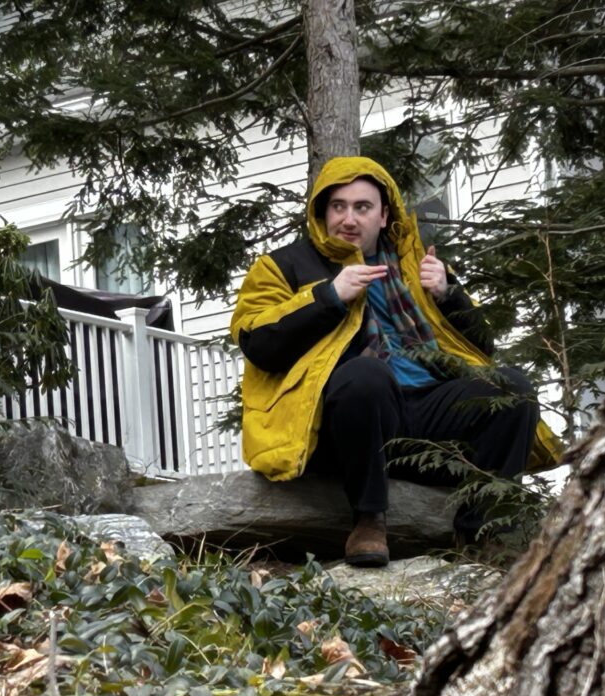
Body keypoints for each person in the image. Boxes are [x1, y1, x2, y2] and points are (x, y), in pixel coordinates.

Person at [230, 156, 562, 567]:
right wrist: (328, 297)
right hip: (343, 425)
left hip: (425, 414)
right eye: (338, 207)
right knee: (367, 374)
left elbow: (483, 345)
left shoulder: (416, 264)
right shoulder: (282, 266)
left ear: (384, 215)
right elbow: (257, 342)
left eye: (362, 207)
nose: (348, 219)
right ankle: (369, 521)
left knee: (511, 388)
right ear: (322, 213)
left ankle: (482, 533)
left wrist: (449, 295)